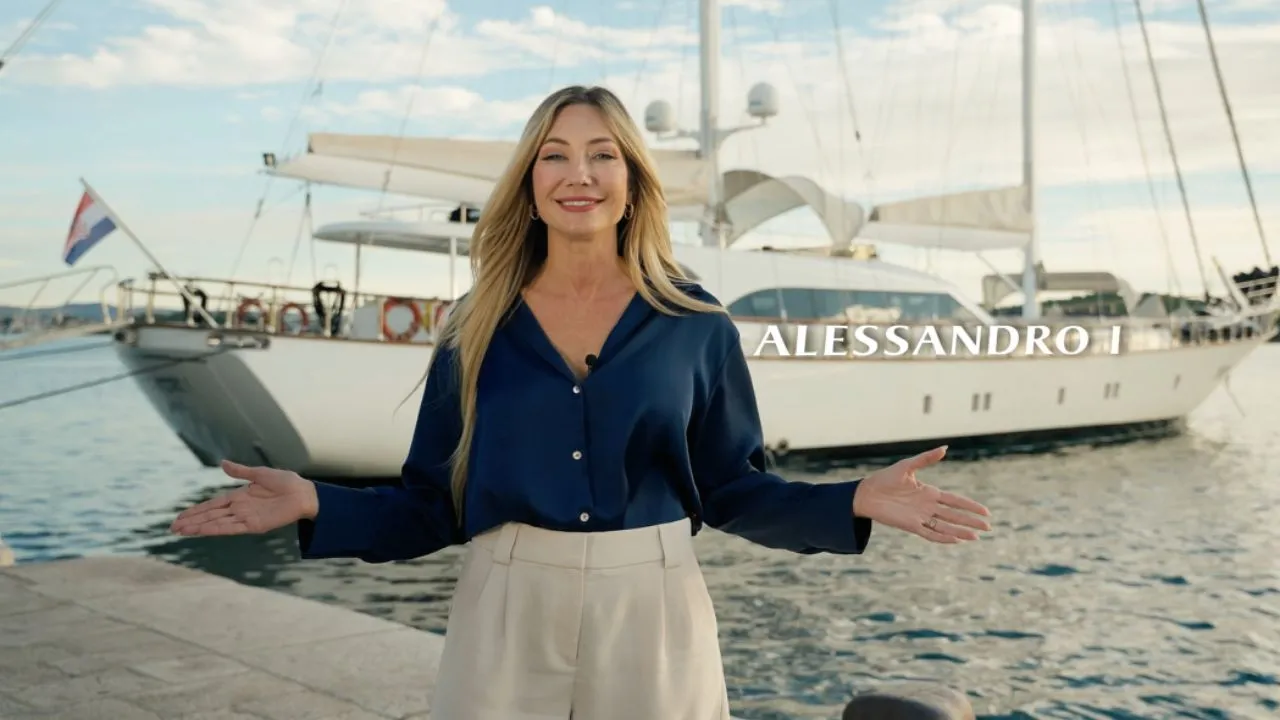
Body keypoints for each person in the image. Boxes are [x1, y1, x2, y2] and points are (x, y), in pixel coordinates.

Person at [170, 84, 993, 720]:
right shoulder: (475, 325)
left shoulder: (695, 324)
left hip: (656, 608)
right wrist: (314, 501)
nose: (579, 175)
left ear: (632, 180)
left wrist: (854, 500)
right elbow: (431, 506)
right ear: (529, 181)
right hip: (504, 605)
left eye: (602, 155)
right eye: (555, 155)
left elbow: (734, 490)